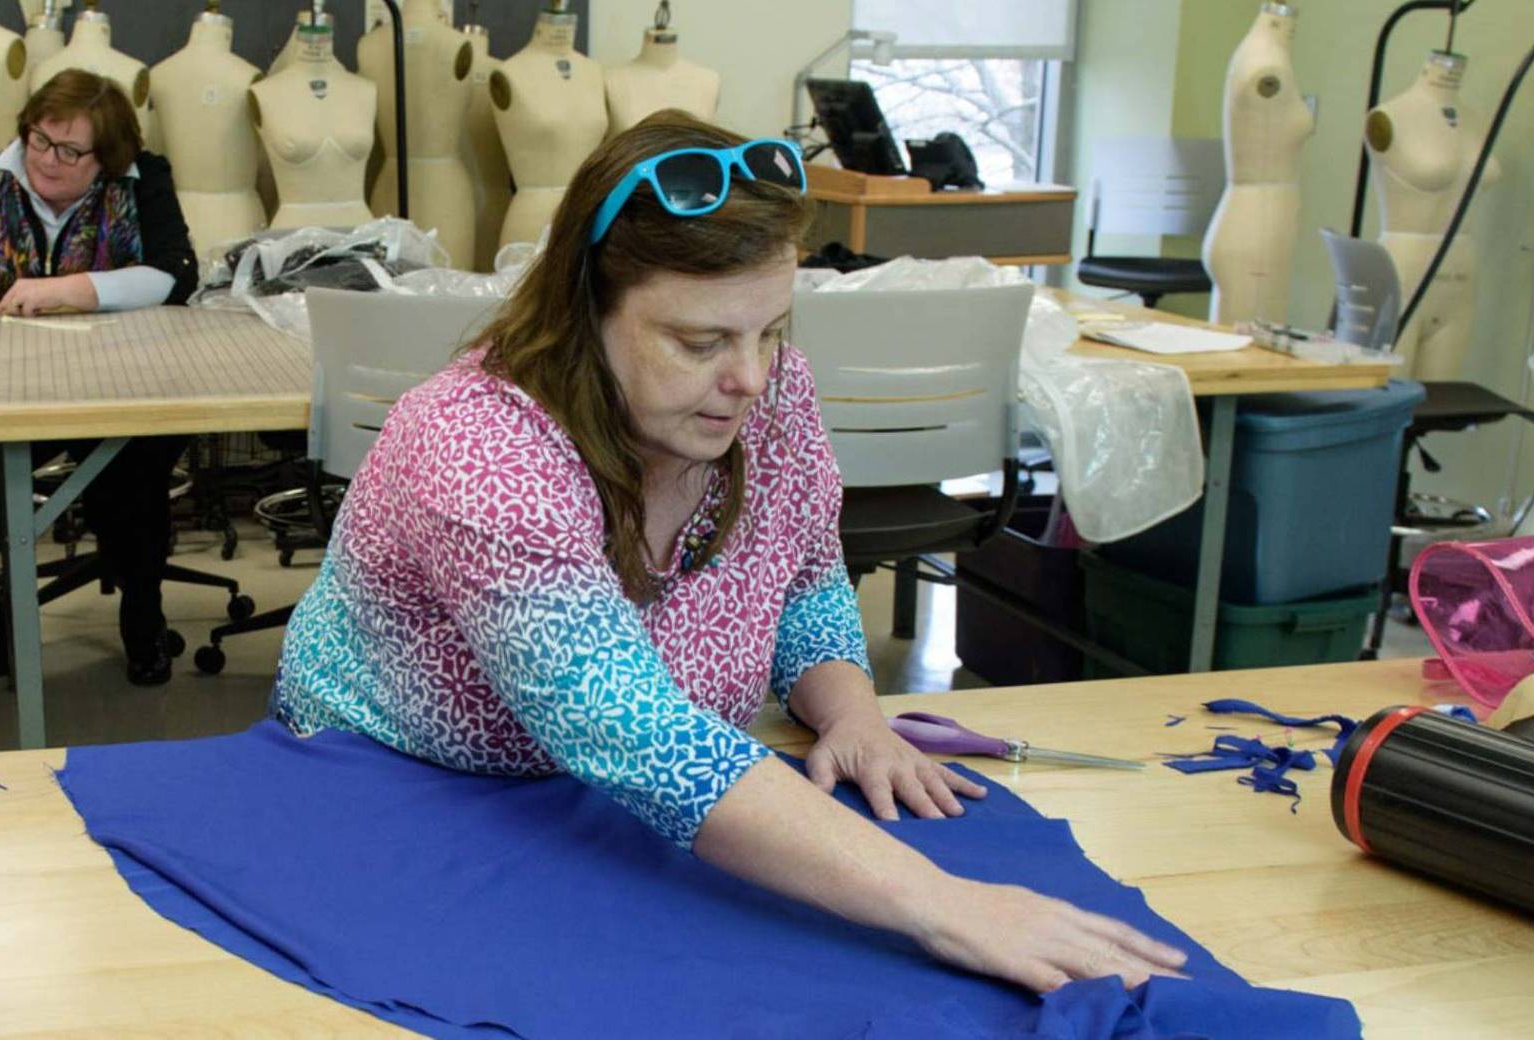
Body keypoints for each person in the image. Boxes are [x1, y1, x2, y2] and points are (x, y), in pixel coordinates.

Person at [274, 111, 1188, 994]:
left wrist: (854, 714)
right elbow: (631, 730)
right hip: (398, 788)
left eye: (769, 329)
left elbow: (803, 575)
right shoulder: (479, 448)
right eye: (700, 340)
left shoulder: (767, 390)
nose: (749, 376)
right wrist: (946, 907)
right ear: (587, 308)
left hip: (617, 797)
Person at [0, 70, 197, 690]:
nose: (48, 160)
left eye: (70, 151)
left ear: (107, 158)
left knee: (133, 469)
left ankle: (143, 621)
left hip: (117, 387)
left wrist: (68, 290)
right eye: (40, 140)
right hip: (2, 390)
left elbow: (176, 274)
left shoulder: (144, 179)